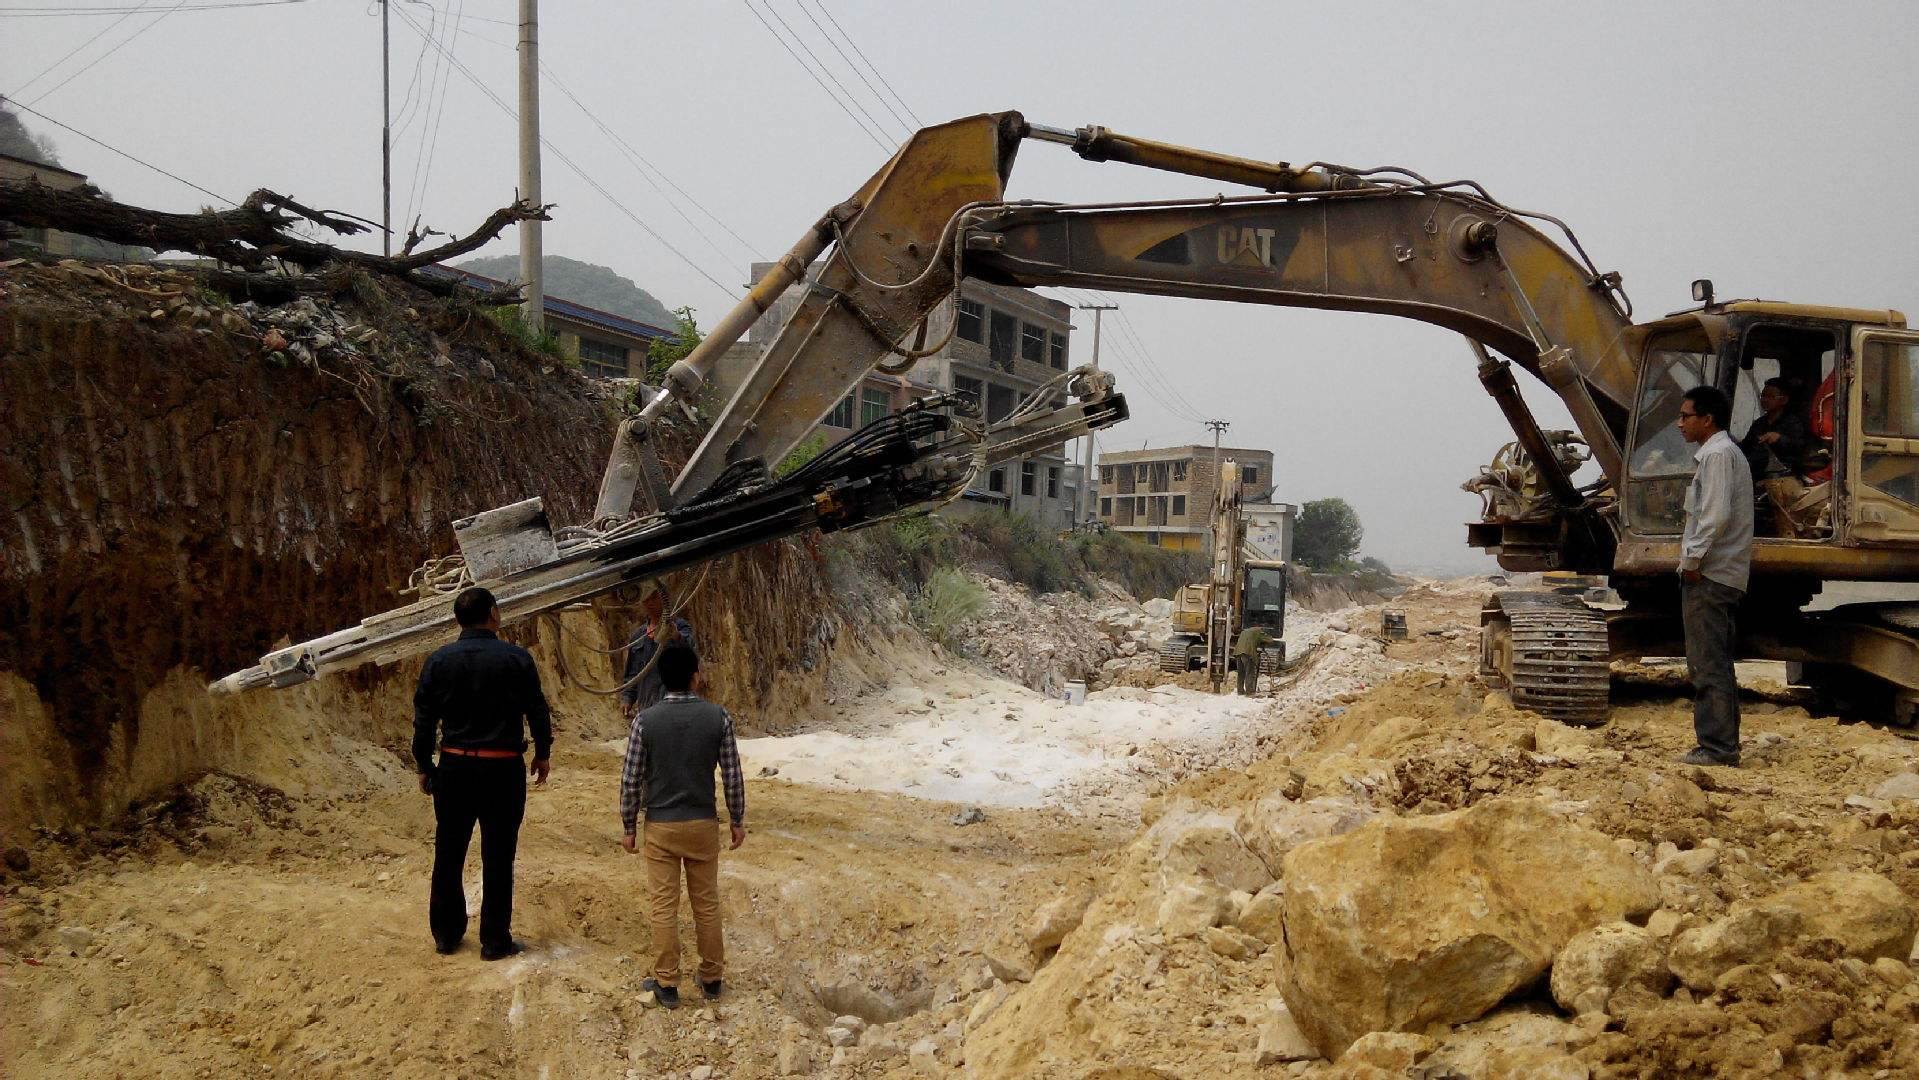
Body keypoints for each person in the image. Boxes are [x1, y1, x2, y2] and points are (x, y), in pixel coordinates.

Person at [412, 586, 553, 959]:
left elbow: (424, 720)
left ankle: (446, 934)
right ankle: (494, 941)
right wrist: (542, 753)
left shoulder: (438, 661)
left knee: (449, 851)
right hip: (502, 768)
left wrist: (425, 766)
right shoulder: (516, 659)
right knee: (498, 853)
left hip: (455, 766)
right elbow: (537, 710)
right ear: (493, 613)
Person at [619, 644, 746, 1010]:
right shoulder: (718, 717)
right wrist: (736, 819)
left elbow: (631, 779)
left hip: (661, 826)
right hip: (703, 823)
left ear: (660, 679)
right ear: (695, 676)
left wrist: (629, 825)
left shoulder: (645, 721)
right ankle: (711, 978)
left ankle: (667, 982)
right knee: (706, 903)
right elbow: (732, 775)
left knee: (664, 905)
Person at [1676, 386, 1753, 767]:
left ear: (1707, 419)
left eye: (1686, 416)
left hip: (1712, 574)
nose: (1680, 424)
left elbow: (1715, 516)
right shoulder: (1721, 454)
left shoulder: (1719, 455)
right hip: (1720, 572)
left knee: (1707, 663)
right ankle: (1722, 743)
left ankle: (1717, 747)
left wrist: (1692, 561)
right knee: (1715, 661)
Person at [620, 584, 696, 718]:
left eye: (653, 597)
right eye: (646, 599)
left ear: (663, 597)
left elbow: (690, 651)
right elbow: (632, 675)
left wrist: (675, 636)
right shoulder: (638, 637)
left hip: (676, 708)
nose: (650, 603)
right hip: (647, 709)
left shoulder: (679, 627)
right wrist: (627, 698)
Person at [1232, 626, 1274, 695]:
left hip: (1238, 652)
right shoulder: (1259, 631)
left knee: (1241, 673)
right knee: (1249, 672)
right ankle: (1249, 691)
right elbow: (1270, 639)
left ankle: (1240, 691)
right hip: (1247, 652)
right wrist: (1262, 641)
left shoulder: (1245, 631)